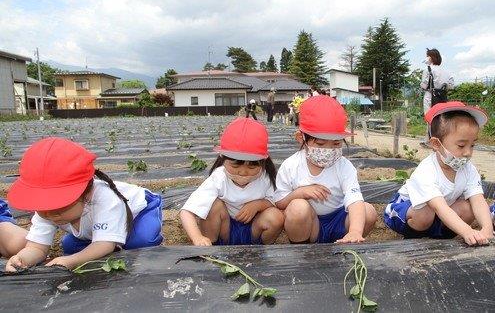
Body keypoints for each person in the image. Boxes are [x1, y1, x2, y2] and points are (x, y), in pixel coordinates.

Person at [6, 137, 163, 272]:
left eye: (58, 207)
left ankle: (117, 236)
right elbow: (37, 248)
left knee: (141, 242)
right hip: (95, 227)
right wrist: (22, 258)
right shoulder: (47, 211)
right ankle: (102, 237)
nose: (48, 214)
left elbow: (104, 244)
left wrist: (72, 261)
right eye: (43, 207)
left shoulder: (105, 199)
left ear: (86, 195)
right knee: (70, 247)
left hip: (139, 212)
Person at [384, 102, 493, 245]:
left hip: (439, 213)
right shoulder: (426, 170)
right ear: (436, 144)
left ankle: (441, 238)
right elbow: (438, 207)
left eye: (472, 145)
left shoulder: (468, 169)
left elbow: (478, 200)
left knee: (468, 208)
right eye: (461, 145)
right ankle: (414, 238)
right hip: (405, 211)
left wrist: (487, 228)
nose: (468, 153)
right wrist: (467, 231)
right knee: (425, 213)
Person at [273, 95, 377, 243]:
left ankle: (348, 242)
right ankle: (302, 250)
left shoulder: (344, 166)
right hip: (311, 224)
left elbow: (354, 199)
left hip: (339, 222)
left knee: (368, 212)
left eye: (336, 144)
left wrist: (354, 231)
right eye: (321, 144)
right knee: (297, 208)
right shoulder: (291, 165)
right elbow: (280, 203)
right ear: (301, 138)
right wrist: (300, 193)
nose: (328, 149)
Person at [180, 118, 284, 246]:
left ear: (263, 162)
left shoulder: (265, 177)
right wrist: (197, 238)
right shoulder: (218, 178)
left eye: (252, 167)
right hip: (225, 230)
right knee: (214, 205)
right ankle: (210, 247)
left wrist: (258, 205)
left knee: (276, 216)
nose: (243, 172)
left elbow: (275, 202)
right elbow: (187, 212)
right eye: (235, 166)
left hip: (253, 230)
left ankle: (261, 250)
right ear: (223, 158)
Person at [420, 48, 454, 145]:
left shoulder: (428, 69)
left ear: (430, 58)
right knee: (440, 117)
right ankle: (440, 139)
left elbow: (424, 85)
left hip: (430, 96)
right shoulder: (446, 71)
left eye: (427, 56)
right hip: (442, 96)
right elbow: (451, 85)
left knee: (430, 117)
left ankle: (430, 140)